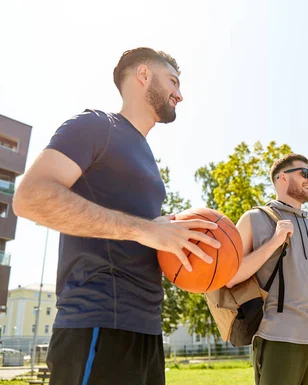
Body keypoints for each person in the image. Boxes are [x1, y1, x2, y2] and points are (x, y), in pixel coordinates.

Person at [13, 47, 220, 385]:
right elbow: (29, 198)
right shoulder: (96, 125)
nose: (180, 94)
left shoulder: (148, 159)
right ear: (143, 75)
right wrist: (145, 231)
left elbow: (142, 237)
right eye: (173, 81)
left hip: (147, 331)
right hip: (98, 324)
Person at [226, 153, 308, 385]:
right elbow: (231, 277)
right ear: (282, 178)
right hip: (278, 339)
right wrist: (274, 242)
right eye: (304, 173)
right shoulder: (254, 218)